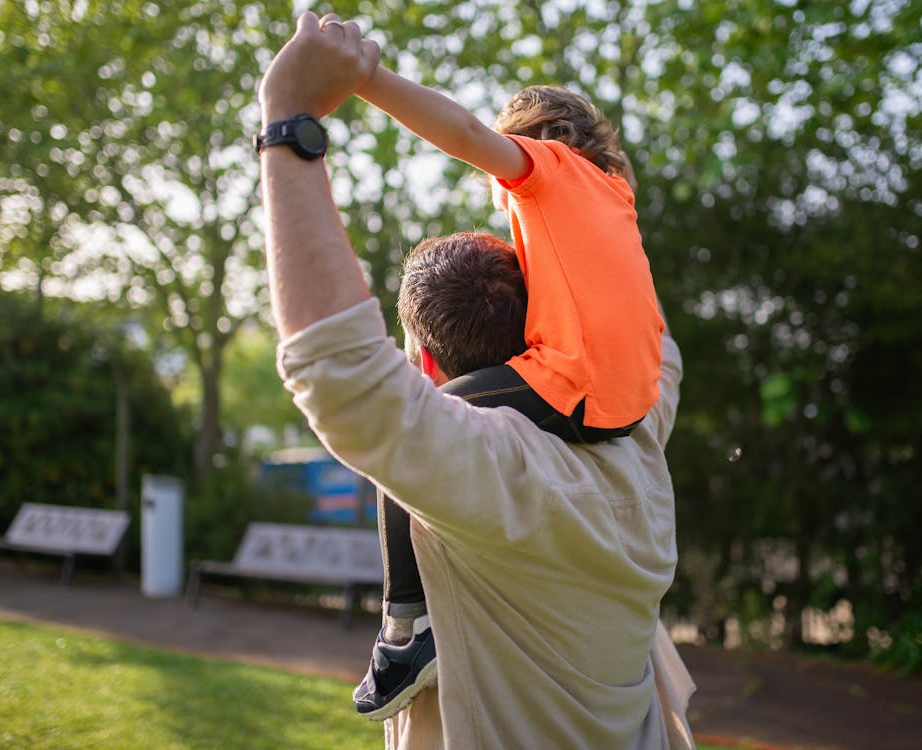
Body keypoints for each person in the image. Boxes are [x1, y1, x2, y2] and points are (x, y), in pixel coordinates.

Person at [256, 12, 693, 749]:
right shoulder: (642, 427)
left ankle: (406, 625)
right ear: (532, 331)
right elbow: (643, 321)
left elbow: (347, 381)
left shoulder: (493, 473)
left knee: (395, 468)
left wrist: (292, 114)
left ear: (421, 359)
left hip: (539, 388)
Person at [349, 26, 666, 719]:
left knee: (409, 430)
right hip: (633, 396)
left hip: (577, 387)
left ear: (535, 137)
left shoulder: (547, 168)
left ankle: (406, 628)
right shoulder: (613, 193)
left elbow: (459, 128)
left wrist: (363, 78)